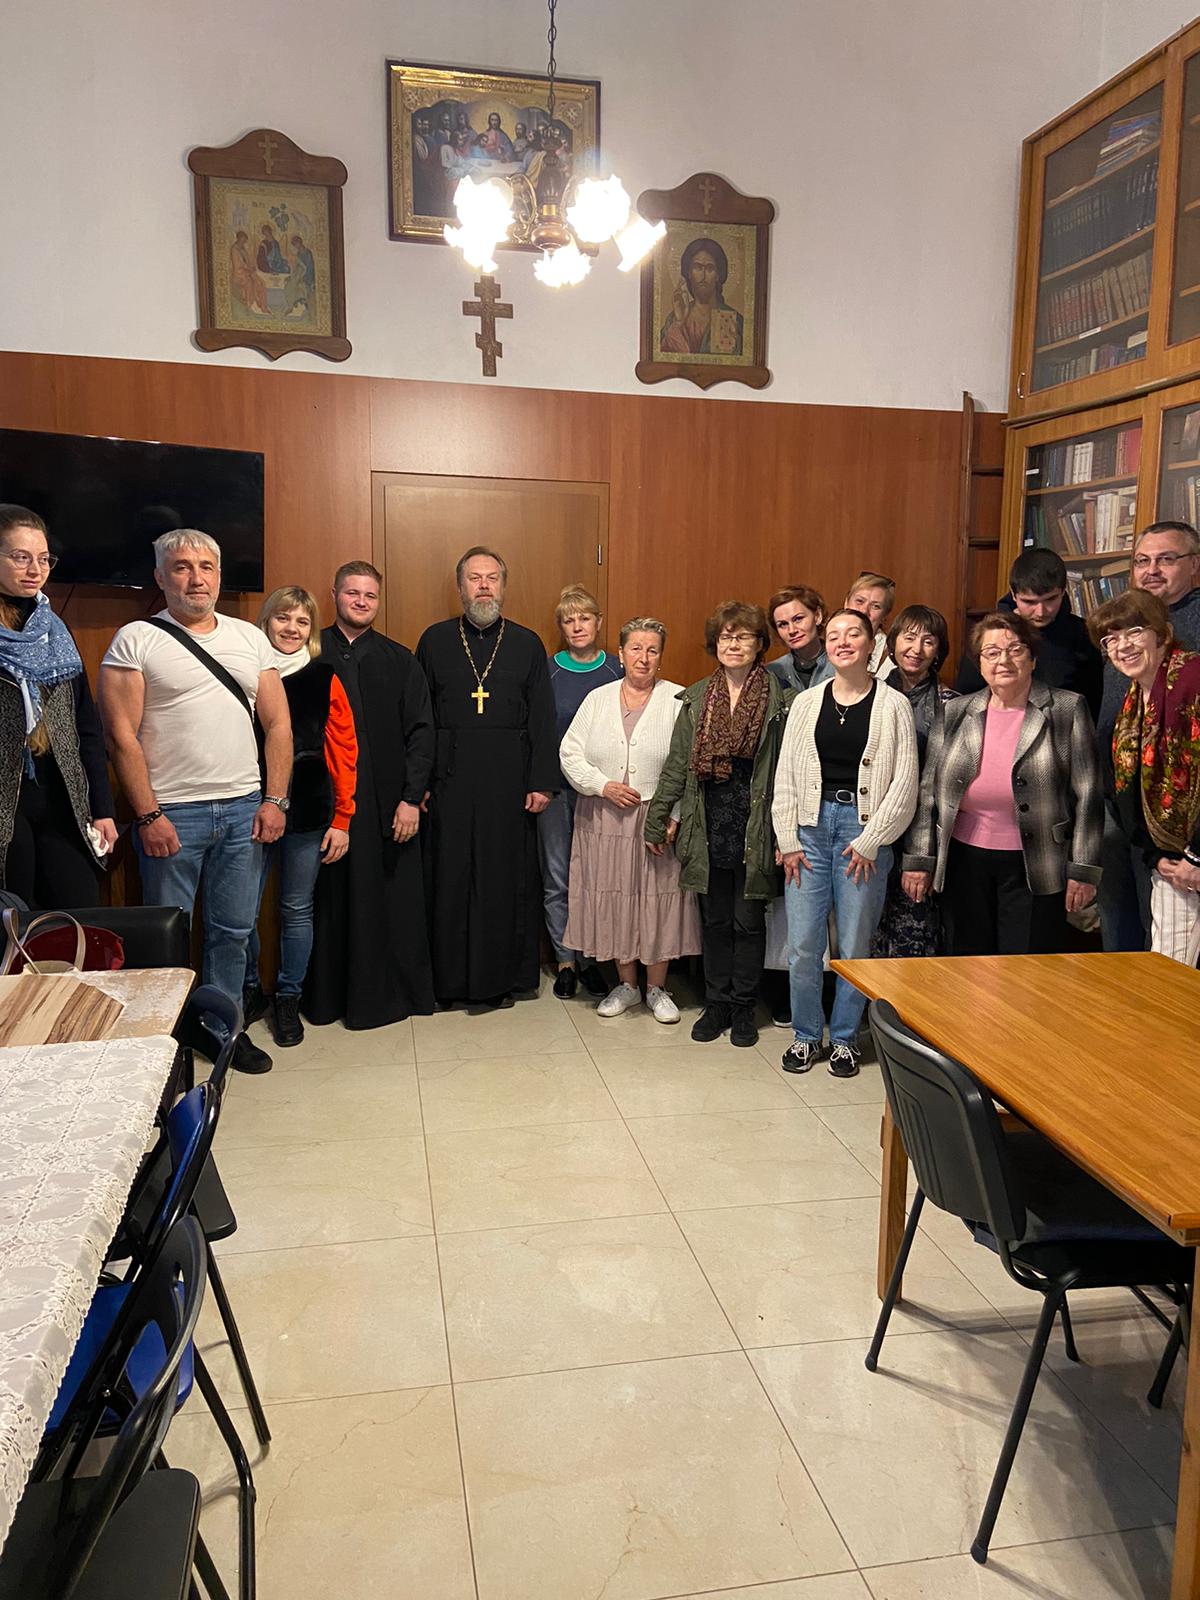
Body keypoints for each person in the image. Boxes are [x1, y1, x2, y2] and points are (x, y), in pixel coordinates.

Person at [99, 529, 292, 1075]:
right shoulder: (136, 639)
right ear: (160, 577)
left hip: (244, 809)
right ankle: (165, 1041)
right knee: (168, 935)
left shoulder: (249, 639)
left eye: (206, 567)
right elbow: (120, 736)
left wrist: (275, 800)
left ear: (220, 575)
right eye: (182, 567)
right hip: (171, 816)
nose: (196, 578)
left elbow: (278, 724)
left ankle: (223, 1029)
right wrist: (148, 814)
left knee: (234, 932)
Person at [902, 610, 1102, 959]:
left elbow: (1088, 794)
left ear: (1033, 658)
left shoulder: (1066, 709)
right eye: (991, 652)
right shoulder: (956, 711)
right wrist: (919, 859)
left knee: (1025, 967)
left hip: (1037, 861)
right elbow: (928, 791)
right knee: (967, 961)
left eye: (1015, 650)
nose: (1003, 660)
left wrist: (1083, 870)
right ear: (980, 664)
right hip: (964, 859)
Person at [773, 608, 918, 1078]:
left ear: (872, 644)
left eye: (853, 633)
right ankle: (805, 1036)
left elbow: (904, 783)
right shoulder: (806, 703)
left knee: (855, 945)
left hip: (862, 834)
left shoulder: (893, 705)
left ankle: (845, 1039)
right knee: (802, 943)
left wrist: (873, 839)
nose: (842, 642)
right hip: (809, 833)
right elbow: (786, 776)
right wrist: (787, 838)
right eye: (833, 634)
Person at [645, 602, 793, 1048]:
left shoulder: (781, 699)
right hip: (707, 823)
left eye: (743, 636)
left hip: (756, 825)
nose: (733, 644)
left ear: (760, 644)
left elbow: (788, 771)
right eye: (726, 636)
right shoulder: (696, 698)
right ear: (715, 644)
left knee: (748, 921)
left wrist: (787, 834)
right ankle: (717, 1003)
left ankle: (744, 1007)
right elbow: (677, 765)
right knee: (714, 921)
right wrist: (657, 819)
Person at [417, 547, 559, 1007]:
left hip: (509, 784)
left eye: (492, 578)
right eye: (474, 578)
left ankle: (504, 979)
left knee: (503, 879)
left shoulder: (527, 644)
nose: (483, 586)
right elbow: (420, 717)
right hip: (449, 781)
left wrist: (541, 781)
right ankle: (449, 981)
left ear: (503, 586)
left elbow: (542, 718)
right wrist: (419, 783)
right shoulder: (435, 640)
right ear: (460, 587)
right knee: (451, 877)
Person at [304, 561, 435, 1029]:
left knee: (391, 900)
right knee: (330, 904)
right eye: (352, 593)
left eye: (370, 595)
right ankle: (328, 1000)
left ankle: (391, 996)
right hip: (325, 805)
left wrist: (411, 798)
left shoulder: (400, 660)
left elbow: (422, 733)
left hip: (388, 806)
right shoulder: (309, 652)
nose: (361, 601)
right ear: (334, 594)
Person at [561, 618, 700, 1022]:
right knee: (614, 896)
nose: (643, 657)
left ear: (661, 656)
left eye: (652, 649)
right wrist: (602, 785)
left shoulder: (678, 699)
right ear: (621, 654)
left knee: (657, 899)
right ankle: (627, 985)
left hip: (656, 817)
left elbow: (689, 764)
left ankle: (657, 988)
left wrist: (674, 814)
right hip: (603, 817)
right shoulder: (597, 698)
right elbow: (569, 753)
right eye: (635, 648)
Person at [243, 586, 357, 1047]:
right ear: (266, 621)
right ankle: (249, 990)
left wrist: (343, 817)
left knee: (295, 907)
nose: (291, 628)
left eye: (302, 622)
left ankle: (288, 997)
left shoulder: (324, 676)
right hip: (249, 799)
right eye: (283, 618)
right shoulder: (244, 669)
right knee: (243, 909)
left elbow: (344, 748)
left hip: (309, 801)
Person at [0, 505, 116, 906]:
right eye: (20, 557)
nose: (35, 569)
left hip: (59, 793)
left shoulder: (55, 631)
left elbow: (87, 726)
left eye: (44, 558)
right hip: (6, 798)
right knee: (15, 917)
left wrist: (102, 808)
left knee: (80, 906)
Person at [1096, 520, 1200, 950]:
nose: (1152, 569)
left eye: (1166, 559)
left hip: (1186, 834)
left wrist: (1194, 854)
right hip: (1134, 815)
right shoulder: (1125, 623)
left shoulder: (1191, 672)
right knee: (1132, 926)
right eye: (1142, 560)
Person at [540, 585, 623, 998]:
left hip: (601, 793)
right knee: (558, 879)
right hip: (556, 792)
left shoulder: (617, 669)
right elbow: (537, 731)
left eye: (584, 618)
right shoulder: (547, 670)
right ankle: (566, 961)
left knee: (594, 878)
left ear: (598, 622)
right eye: (568, 620)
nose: (577, 626)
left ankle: (591, 960)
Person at [870, 605, 957, 958]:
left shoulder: (950, 705)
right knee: (865, 932)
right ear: (892, 643)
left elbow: (943, 785)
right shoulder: (869, 694)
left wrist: (921, 856)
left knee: (914, 934)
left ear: (938, 651)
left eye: (928, 641)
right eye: (908, 637)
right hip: (870, 828)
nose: (916, 649)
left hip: (921, 833)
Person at [954, 547, 1102, 716]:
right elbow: (965, 702)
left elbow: (1092, 707)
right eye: (1029, 602)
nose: (1041, 611)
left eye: (1050, 599)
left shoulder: (1083, 634)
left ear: (1063, 591)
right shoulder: (989, 635)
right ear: (1013, 595)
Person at [659, 238, 744, 357]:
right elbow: (663, 357)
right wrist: (679, 323)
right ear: (688, 273)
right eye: (697, 267)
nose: (703, 275)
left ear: (718, 274)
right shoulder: (674, 319)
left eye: (710, 268)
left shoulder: (733, 319)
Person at [766, 586, 832, 694]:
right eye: (783, 624)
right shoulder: (772, 672)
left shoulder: (842, 663)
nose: (792, 630)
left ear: (817, 616)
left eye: (798, 619)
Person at [844, 572, 895, 676]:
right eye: (859, 601)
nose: (864, 611)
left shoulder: (891, 658)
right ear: (846, 603)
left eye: (875, 606)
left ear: (885, 616)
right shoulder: (829, 643)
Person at [229, 230, 268, 315]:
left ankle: (263, 306)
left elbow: (248, 261)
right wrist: (249, 269)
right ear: (238, 239)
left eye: (244, 241)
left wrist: (252, 267)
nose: (243, 243)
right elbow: (238, 264)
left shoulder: (243, 249)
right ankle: (248, 306)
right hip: (239, 273)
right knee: (249, 283)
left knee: (260, 282)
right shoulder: (234, 249)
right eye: (242, 241)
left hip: (247, 271)